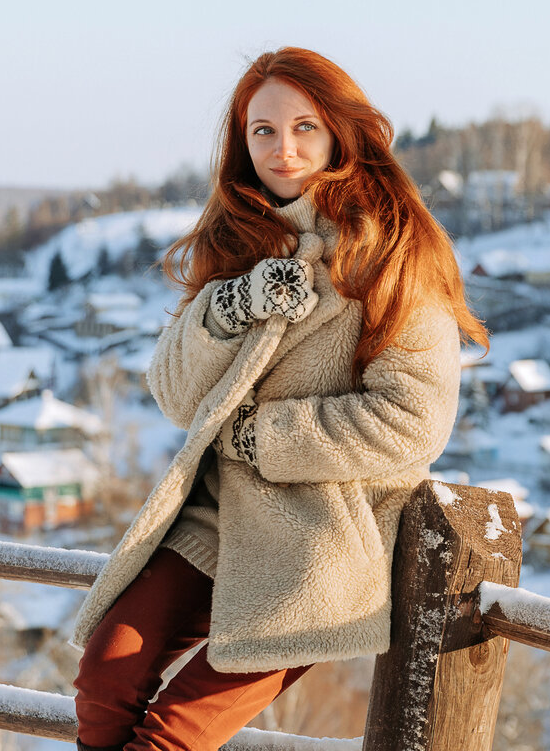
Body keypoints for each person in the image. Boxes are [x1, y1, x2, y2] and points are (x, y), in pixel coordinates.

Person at [70, 47, 488, 751]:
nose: (282, 148)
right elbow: (176, 397)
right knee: (106, 676)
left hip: (319, 538)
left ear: (339, 133)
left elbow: (414, 422)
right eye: (262, 131)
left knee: (173, 734)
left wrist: (260, 438)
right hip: (217, 515)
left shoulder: (396, 252)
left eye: (304, 127)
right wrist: (227, 306)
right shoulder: (239, 241)